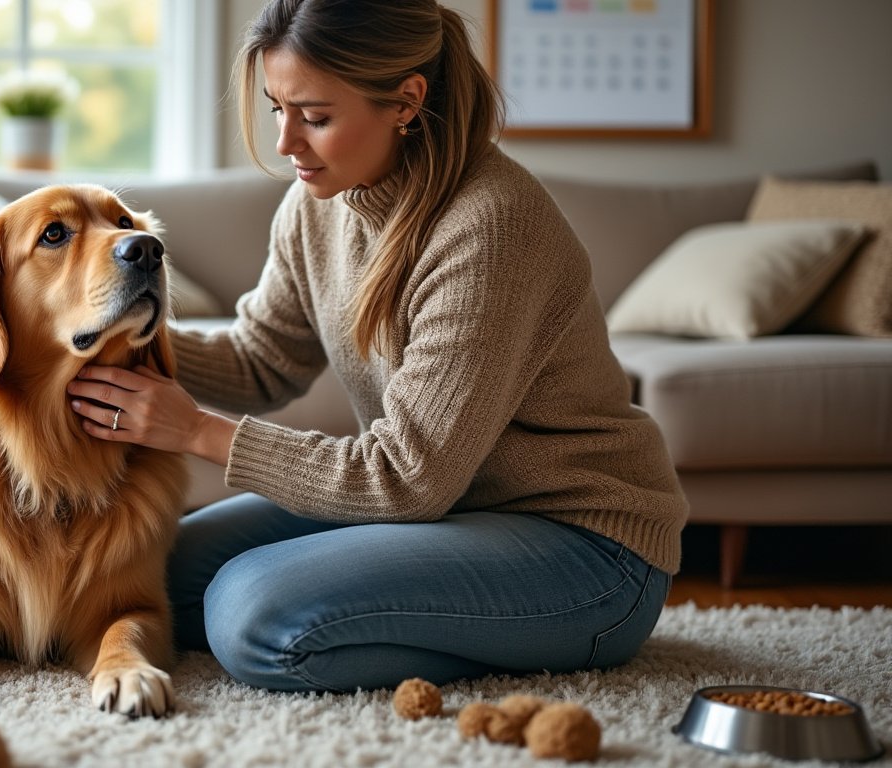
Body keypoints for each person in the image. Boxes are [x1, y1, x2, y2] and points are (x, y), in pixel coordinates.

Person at [66, 0, 688, 693]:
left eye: (316, 116)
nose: (286, 143)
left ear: (406, 102)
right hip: (450, 515)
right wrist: (113, 328)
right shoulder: (318, 203)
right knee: (152, 571)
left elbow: (407, 478)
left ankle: (516, 647)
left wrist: (195, 431)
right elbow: (261, 360)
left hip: (587, 549)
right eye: (277, 108)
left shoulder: (489, 227)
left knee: (256, 613)